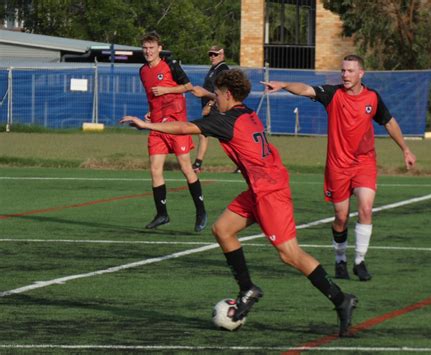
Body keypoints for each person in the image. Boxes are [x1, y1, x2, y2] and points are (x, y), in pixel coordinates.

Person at [121, 69, 358, 337]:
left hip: (270, 192)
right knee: (222, 230)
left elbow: (185, 127)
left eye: (219, 94)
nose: (216, 99)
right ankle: (247, 289)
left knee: (289, 254)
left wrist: (148, 125)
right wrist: (209, 94)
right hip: (260, 187)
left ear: (228, 95)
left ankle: (341, 299)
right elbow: (223, 106)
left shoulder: (225, 122)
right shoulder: (245, 111)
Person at [262, 54, 416, 281]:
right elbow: (305, 89)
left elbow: (389, 122)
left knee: (365, 208)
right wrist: (284, 84)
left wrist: (405, 149)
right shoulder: (332, 94)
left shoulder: (372, 97)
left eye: (350, 71)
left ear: (361, 73)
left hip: (364, 163)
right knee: (341, 216)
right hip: (338, 167)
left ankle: (360, 261)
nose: (345, 75)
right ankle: (340, 259)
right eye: (343, 70)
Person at [139, 31, 207, 232]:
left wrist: (167, 90)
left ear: (159, 48)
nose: (148, 51)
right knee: (154, 168)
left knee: (186, 168)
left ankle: (201, 211)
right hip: (158, 126)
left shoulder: (171, 65)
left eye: (152, 48)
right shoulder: (142, 71)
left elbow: (188, 87)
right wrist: (151, 112)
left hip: (177, 124)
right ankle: (162, 214)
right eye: (145, 48)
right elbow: (152, 97)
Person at [191, 45, 230, 173]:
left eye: (215, 54)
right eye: (210, 54)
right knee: (204, 133)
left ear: (222, 55)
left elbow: (221, 92)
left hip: (216, 107)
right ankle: (197, 164)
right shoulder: (214, 68)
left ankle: (197, 164)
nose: (212, 57)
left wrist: (209, 105)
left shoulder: (222, 69)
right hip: (211, 105)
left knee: (225, 137)